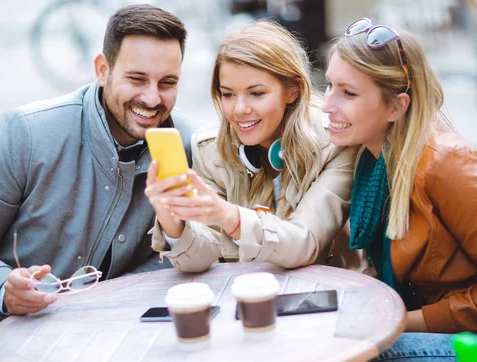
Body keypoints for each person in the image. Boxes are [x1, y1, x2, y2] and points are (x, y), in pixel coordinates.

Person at [0, 4, 195, 362]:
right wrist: (1, 287)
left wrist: (113, 297)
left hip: (111, 344)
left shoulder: (187, 144)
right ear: (103, 70)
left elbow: (175, 254)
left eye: (168, 83)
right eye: (136, 79)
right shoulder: (23, 133)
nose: (152, 99)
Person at [321, 17, 477, 362]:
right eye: (329, 85)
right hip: (449, 325)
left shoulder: (447, 166)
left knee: (358, 355)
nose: (327, 104)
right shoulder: (374, 160)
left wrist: (404, 321)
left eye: (348, 93)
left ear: (396, 106)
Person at [145, 21, 360, 273]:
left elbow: (304, 243)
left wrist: (228, 215)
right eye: (228, 94)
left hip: (324, 295)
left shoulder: (334, 144)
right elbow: (200, 260)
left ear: (293, 90)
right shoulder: (209, 150)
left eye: (256, 93)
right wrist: (173, 220)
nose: (239, 110)